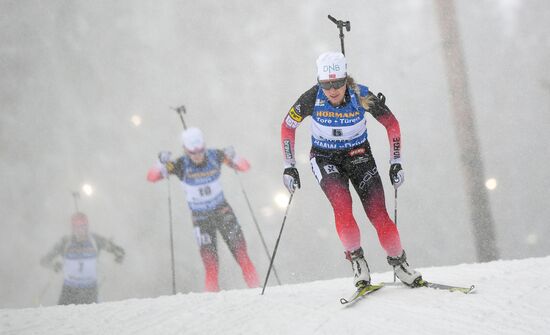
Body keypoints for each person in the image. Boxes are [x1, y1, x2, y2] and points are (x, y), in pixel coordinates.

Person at [280, 51, 423, 289]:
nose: (332, 90)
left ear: (346, 80)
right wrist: (289, 166)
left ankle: (400, 263)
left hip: (358, 155)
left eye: (337, 83)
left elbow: (392, 124)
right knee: (343, 207)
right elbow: (287, 126)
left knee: (378, 213)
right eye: (326, 84)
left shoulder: (361, 95)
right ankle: (357, 262)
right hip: (325, 158)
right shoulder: (310, 98)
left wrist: (396, 160)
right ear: (319, 82)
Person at [147, 127, 259, 292]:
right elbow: (152, 177)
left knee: (242, 256)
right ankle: (212, 302)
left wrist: (235, 156)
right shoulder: (179, 165)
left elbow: (245, 167)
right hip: (201, 219)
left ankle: (257, 290)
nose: (198, 156)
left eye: (200, 151)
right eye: (193, 152)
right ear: (185, 150)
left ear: (204, 146)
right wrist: (160, 163)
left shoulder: (216, 156)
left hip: (222, 212)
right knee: (210, 265)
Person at [40, 212, 125, 305]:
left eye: (83, 227)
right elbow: (44, 261)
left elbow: (116, 250)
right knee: (63, 318)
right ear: (72, 228)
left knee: (90, 318)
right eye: (77, 227)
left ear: (87, 227)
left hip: (90, 291)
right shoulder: (65, 242)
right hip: (69, 291)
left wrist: (119, 254)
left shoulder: (95, 240)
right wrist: (54, 266)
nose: (80, 230)